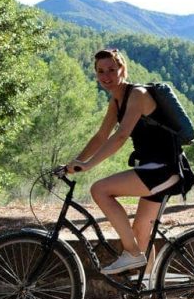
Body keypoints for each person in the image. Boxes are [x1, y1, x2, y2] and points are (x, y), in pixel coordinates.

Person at [67, 48, 181, 279]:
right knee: (141, 230)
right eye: (100, 71)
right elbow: (101, 136)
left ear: (123, 69)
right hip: (151, 168)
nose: (106, 76)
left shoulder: (137, 94)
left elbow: (120, 136)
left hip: (163, 168)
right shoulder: (116, 101)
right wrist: (76, 161)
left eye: (111, 69)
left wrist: (88, 165)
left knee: (99, 189)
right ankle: (148, 288)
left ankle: (131, 253)